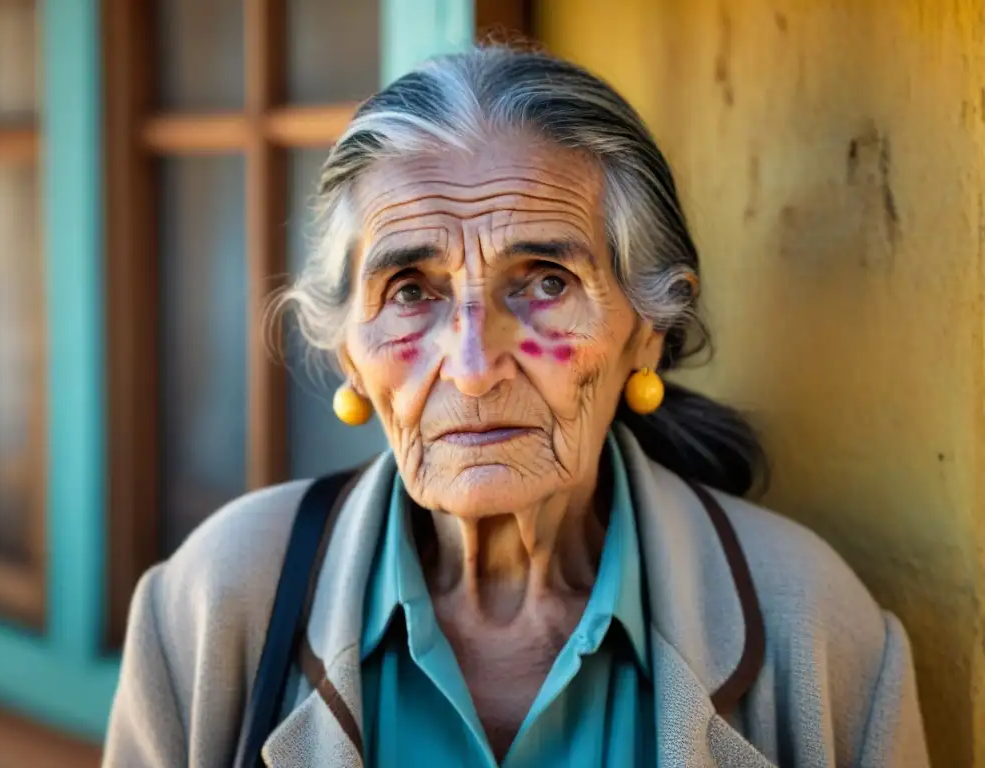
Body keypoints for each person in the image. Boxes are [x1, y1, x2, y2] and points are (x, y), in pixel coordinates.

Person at [103, 47, 930, 768]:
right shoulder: (212, 605)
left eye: (544, 283)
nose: (471, 368)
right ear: (348, 349)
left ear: (646, 334)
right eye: (411, 290)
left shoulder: (816, 630)